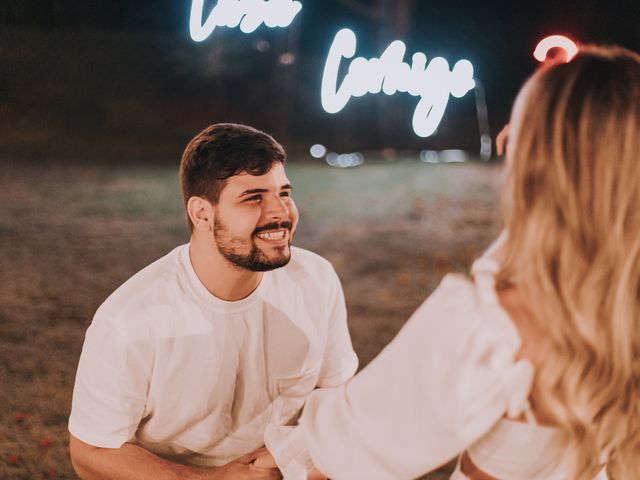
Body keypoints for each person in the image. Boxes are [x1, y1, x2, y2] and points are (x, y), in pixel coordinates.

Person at [264, 45, 640, 479]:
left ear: (543, 165)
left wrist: (288, 451)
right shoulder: (614, 302)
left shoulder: (493, 328)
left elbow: (349, 449)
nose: (502, 140)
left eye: (520, 132)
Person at [68, 123, 359, 479]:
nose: (280, 212)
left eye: (283, 193)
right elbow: (91, 451)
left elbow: (334, 390)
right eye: (254, 197)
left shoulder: (315, 279)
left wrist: (313, 461)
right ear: (202, 213)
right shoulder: (132, 318)